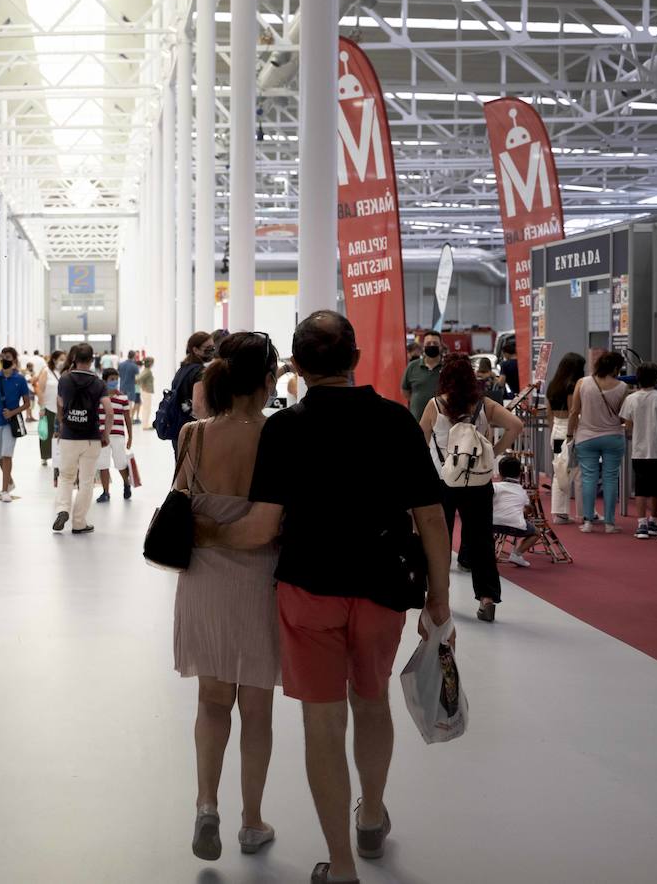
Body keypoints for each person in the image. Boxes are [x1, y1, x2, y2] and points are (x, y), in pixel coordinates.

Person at [207, 311, 452, 884]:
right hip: (382, 587)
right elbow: (432, 518)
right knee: (371, 702)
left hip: (308, 589)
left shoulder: (285, 430)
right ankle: (370, 815)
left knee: (323, 723)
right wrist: (438, 597)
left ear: (296, 366)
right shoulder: (396, 421)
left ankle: (340, 865)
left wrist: (208, 533)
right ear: (356, 357)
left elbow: (263, 526)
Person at [174, 333, 282, 863]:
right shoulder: (277, 437)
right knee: (257, 707)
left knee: (212, 701)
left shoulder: (193, 436)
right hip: (262, 579)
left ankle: (205, 803)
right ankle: (251, 820)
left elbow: (180, 505)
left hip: (204, 579)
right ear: (266, 381)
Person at [421, 354, 523, 622]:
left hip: (442, 481)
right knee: (481, 541)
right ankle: (487, 597)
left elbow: (419, 443)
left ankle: (437, 595)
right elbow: (516, 425)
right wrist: (494, 452)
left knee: (437, 540)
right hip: (478, 481)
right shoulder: (484, 405)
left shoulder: (434, 405)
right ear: (471, 376)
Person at [568, 350, 629, 533]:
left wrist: (570, 435)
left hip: (586, 438)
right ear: (617, 367)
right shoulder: (623, 387)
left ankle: (587, 522)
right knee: (610, 479)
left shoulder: (582, 383)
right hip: (613, 437)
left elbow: (573, 412)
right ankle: (610, 523)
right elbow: (622, 417)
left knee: (588, 479)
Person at [53, 343, 112, 532]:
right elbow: (109, 411)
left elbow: (60, 404)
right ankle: (79, 523)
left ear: (74, 359)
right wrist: (106, 433)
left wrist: (63, 423)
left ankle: (63, 509)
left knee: (66, 477)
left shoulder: (64, 379)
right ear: (92, 360)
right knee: (86, 481)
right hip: (91, 437)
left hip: (69, 436)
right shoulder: (99, 383)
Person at [620, 362, 657, 539]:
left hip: (639, 450)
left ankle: (641, 524)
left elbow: (628, 425)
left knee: (641, 488)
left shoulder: (631, 399)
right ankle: (654, 521)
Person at [0, 347, 33, 502]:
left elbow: (27, 403)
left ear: (14, 360)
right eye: (3, 356)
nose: (5, 358)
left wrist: (13, 412)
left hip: (10, 423)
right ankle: (9, 481)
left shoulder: (20, 379)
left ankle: (5, 490)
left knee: (7, 455)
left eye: (8, 356)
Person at [546, 352, 586, 524]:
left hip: (556, 430)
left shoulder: (552, 385)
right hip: (570, 432)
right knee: (578, 472)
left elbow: (548, 413)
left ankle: (559, 512)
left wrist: (553, 429)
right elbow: (573, 412)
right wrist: (572, 434)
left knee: (559, 469)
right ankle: (584, 512)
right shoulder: (573, 386)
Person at [166, 332, 216, 449]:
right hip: (193, 430)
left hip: (179, 428)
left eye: (213, 347)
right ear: (196, 350)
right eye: (208, 348)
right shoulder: (200, 372)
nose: (212, 351)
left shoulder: (182, 370)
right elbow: (198, 407)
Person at [492, 456, 541, 567]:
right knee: (536, 532)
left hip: (492, 523)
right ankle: (516, 554)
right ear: (519, 474)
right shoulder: (522, 491)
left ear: (500, 473)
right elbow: (527, 510)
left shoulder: (494, 486)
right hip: (515, 525)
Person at [95, 367, 133, 502]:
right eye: (112, 379)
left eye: (116, 379)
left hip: (118, 436)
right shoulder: (98, 398)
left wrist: (130, 437)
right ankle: (105, 492)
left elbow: (128, 419)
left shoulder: (122, 397)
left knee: (120, 462)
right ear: (104, 381)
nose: (115, 382)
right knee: (102, 464)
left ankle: (126, 483)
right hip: (102, 436)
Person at [400, 329, 442, 419]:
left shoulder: (448, 367)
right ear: (423, 346)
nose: (431, 345)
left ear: (441, 346)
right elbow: (405, 390)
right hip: (417, 420)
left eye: (435, 343)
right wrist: (416, 401)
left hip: (442, 422)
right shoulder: (412, 366)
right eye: (428, 343)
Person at [37, 350, 64, 468]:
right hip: (48, 407)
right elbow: (40, 389)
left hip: (61, 408)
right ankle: (45, 456)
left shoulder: (63, 373)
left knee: (59, 433)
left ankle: (58, 455)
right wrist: (42, 407)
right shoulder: (46, 372)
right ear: (54, 360)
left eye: (64, 359)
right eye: (61, 359)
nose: (63, 362)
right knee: (46, 433)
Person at [118, 351, 141, 424]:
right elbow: (137, 378)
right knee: (129, 403)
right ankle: (129, 419)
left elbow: (119, 374)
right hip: (130, 387)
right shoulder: (134, 366)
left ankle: (122, 418)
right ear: (134, 356)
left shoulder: (121, 364)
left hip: (122, 386)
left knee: (122, 403)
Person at [139, 356, 156, 429]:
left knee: (147, 408)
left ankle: (146, 424)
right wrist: (143, 386)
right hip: (146, 392)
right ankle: (145, 425)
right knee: (147, 409)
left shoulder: (146, 370)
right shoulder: (147, 371)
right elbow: (139, 379)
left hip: (146, 391)